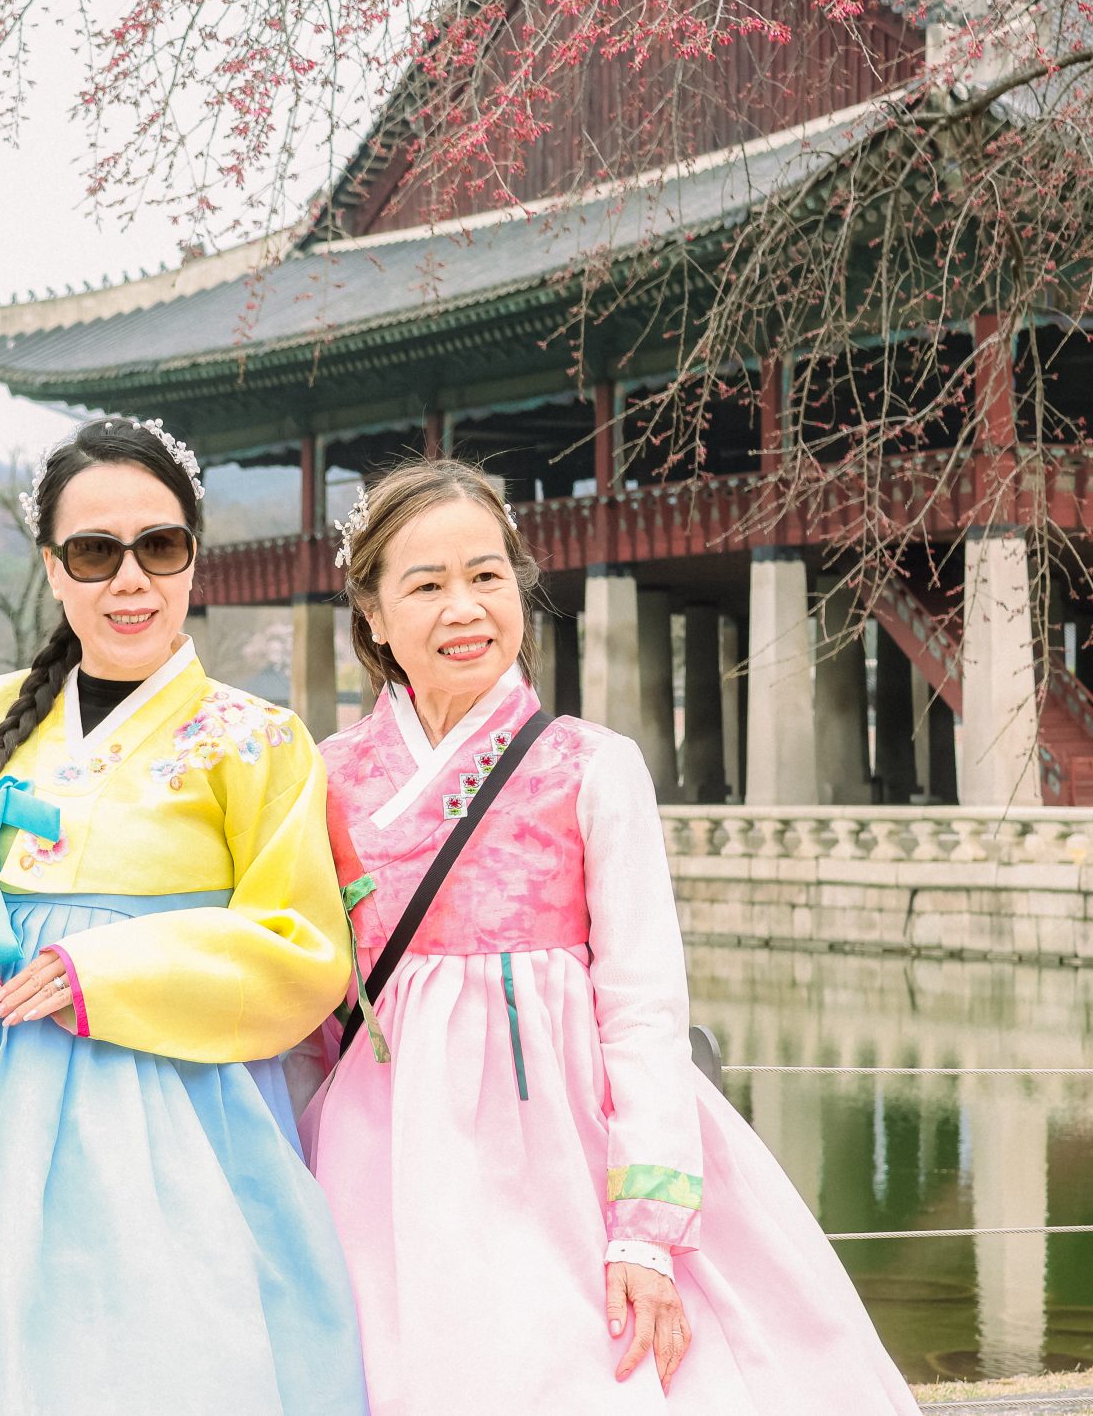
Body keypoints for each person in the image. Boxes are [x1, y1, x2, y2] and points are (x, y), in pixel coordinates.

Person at [305, 457, 919, 1414]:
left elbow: (642, 1008)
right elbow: (315, 996)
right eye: (425, 585)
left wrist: (644, 1231)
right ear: (373, 614)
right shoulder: (328, 777)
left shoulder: (591, 766)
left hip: (565, 1143)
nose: (464, 607)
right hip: (388, 1152)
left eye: (486, 575)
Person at [0, 416, 367, 1416]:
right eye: (96, 552)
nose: (130, 580)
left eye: (160, 546)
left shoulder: (258, 738)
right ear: (52, 567)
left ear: (194, 557)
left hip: (175, 1109)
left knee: (168, 1361)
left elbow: (301, 943)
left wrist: (105, 970)